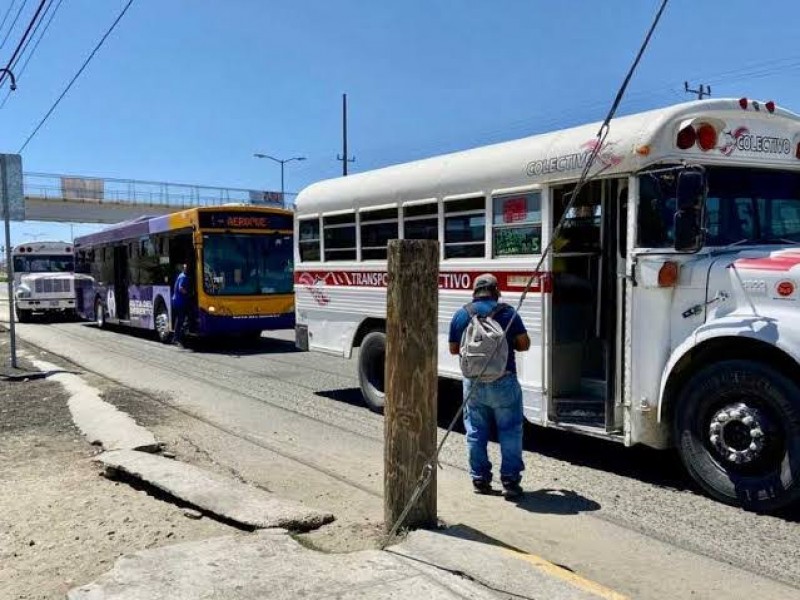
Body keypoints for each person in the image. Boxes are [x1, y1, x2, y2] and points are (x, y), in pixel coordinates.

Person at [449, 273, 531, 498]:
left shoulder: (461, 315)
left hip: (473, 384)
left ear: (474, 292)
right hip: (504, 381)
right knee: (510, 431)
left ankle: (480, 479)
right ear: (496, 291)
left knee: (475, 432)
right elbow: (524, 345)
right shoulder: (508, 313)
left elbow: (454, 349)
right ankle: (510, 481)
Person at [171, 263, 190, 345]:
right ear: (183, 269)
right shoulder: (183, 277)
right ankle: (177, 339)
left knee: (179, 320)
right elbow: (181, 288)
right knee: (180, 320)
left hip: (177, 301)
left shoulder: (180, 275)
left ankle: (176, 338)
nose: (186, 269)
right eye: (185, 268)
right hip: (180, 302)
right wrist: (188, 293)